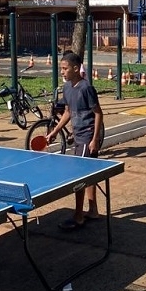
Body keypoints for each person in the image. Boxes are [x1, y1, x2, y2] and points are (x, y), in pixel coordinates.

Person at [46, 51, 104, 230]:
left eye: (65, 68)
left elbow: (98, 113)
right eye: (61, 68)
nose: (62, 72)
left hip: (88, 136)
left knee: (79, 177)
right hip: (77, 135)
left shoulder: (86, 88)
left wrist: (95, 139)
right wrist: (55, 131)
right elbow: (69, 112)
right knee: (89, 175)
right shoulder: (68, 88)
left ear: (76, 68)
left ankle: (78, 216)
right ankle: (93, 210)